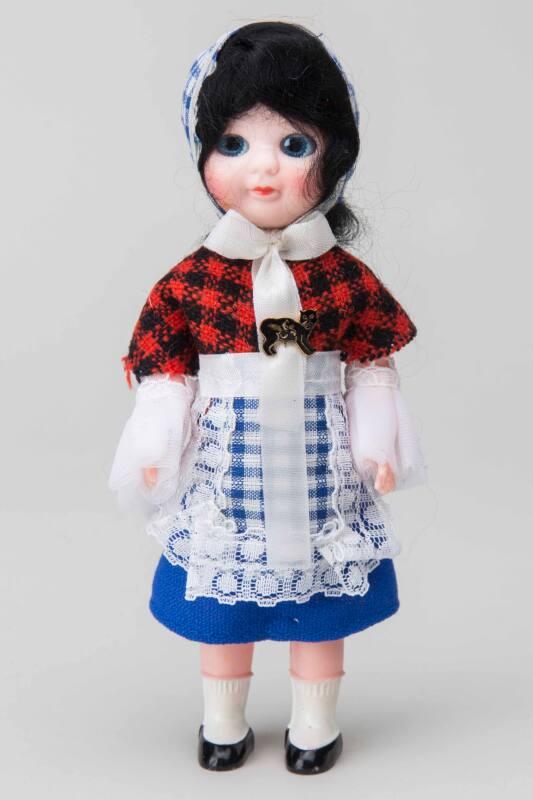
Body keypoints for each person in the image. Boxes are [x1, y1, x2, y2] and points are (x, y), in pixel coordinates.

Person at [109, 20, 425, 775]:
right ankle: (222, 720)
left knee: (321, 607)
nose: (262, 170)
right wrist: (156, 446)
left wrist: (376, 445)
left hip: (320, 470)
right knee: (223, 611)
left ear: (334, 155)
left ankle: (315, 724)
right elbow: (166, 371)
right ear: (203, 155)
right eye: (233, 144)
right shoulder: (193, 280)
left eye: (293, 144)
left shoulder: (342, 278)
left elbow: (371, 364)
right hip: (230, 471)